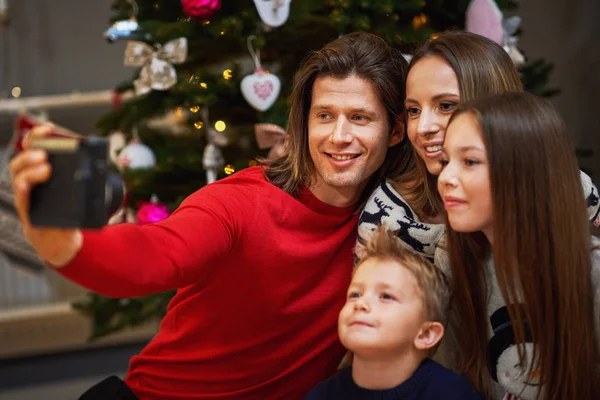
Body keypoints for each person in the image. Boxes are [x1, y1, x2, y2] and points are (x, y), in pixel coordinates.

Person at [9, 32, 411, 400]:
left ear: (394, 131)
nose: (338, 136)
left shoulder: (393, 218)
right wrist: (64, 245)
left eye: (359, 118)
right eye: (324, 115)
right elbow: (157, 252)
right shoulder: (240, 202)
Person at [357, 31, 599, 272]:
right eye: (413, 110)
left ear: (496, 107)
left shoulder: (569, 189)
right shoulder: (387, 219)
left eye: (446, 106)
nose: (423, 128)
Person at [438, 91, 600, 400]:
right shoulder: (455, 263)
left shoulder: (593, 278)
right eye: (446, 161)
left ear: (525, 170)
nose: (446, 177)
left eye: (469, 161)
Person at [305, 226, 482, 400]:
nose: (361, 303)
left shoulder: (452, 394)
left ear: (426, 334)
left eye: (386, 296)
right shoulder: (321, 395)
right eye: (355, 294)